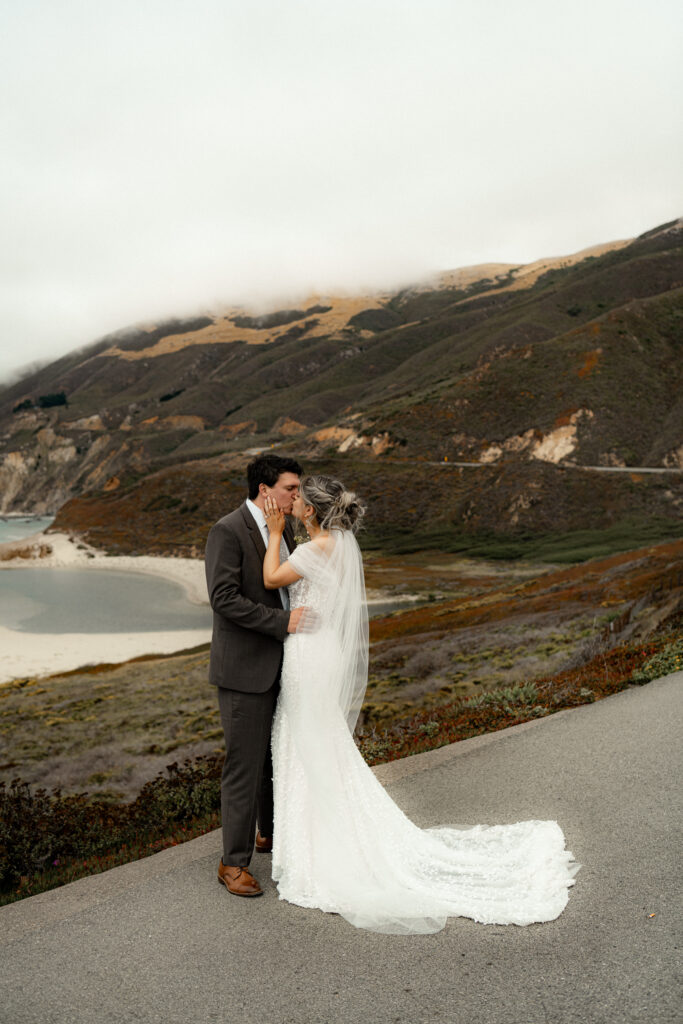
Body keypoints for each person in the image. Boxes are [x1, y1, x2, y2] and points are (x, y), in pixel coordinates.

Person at [262, 474, 579, 935]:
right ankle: (317, 837)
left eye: (297, 500)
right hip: (321, 648)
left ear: (310, 511)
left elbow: (272, 577)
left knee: (306, 740)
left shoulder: (315, 549)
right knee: (317, 742)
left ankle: (315, 849)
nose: (290, 504)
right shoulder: (338, 545)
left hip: (308, 654)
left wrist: (273, 535)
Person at [205, 453, 304, 898]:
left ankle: (266, 835)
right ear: (265, 491)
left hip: (283, 665)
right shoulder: (227, 531)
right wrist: (282, 624)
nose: (297, 496)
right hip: (244, 670)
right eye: (291, 489)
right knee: (244, 766)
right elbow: (224, 598)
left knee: (273, 757)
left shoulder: (285, 532)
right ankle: (232, 863)